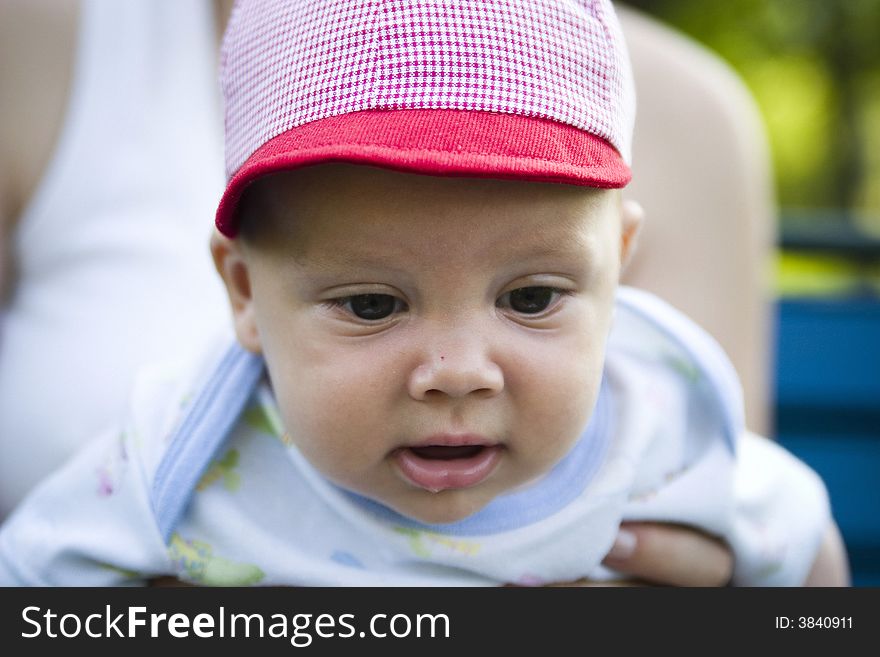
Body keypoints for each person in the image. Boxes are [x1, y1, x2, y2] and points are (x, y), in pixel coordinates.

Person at [0, 0, 843, 586]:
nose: (459, 370)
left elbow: (810, 556)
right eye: (372, 305)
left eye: (531, 298)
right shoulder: (184, 455)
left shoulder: (656, 432)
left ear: (617, 265)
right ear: (244, 291)